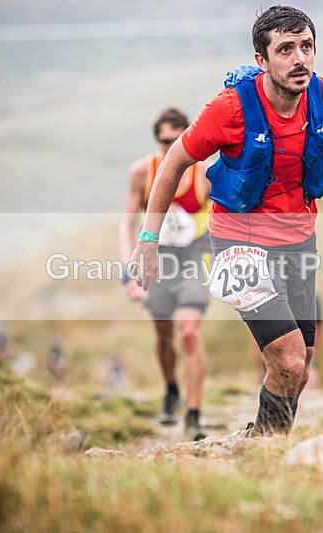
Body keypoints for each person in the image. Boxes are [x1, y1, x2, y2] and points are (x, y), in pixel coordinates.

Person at [131, 6, 323, 436]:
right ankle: (266, 450)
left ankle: (265, 442)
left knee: (299, 366)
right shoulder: (230, 109)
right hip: (237, 243)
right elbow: (173, 163)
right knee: (287, 358)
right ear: (262, 61)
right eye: (285, 49)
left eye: (306, 47)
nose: (299, 58)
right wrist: (148, 237)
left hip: (298, 242)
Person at [119, 107, 211, 441]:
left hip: (191, 262)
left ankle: (194, 414)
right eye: (162, 141)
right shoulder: (144, 172)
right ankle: (172, 389)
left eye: (175, 140)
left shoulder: (204, 173)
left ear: (188, 137)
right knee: (163, 336)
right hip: (155, 263)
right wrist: (129, 270)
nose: (168, 147)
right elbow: (127, 223)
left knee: (189, 333)